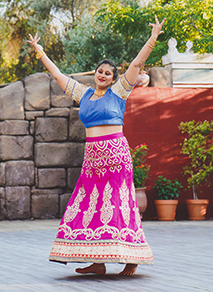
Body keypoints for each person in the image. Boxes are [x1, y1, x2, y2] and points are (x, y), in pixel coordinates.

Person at [27, 15, 165, 276]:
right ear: (95, 74)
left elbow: (137, 63)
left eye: (108, 73)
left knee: (118, 204)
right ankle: (98, 261)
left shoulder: (120, 92)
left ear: (113, 78)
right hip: (92, 158)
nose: (103, 75)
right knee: (89, 205)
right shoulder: (84, 94)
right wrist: (40, 51)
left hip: (115, 155)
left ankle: (131, 259)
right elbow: (57, 75)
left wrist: (153, 37)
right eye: (100, 71)